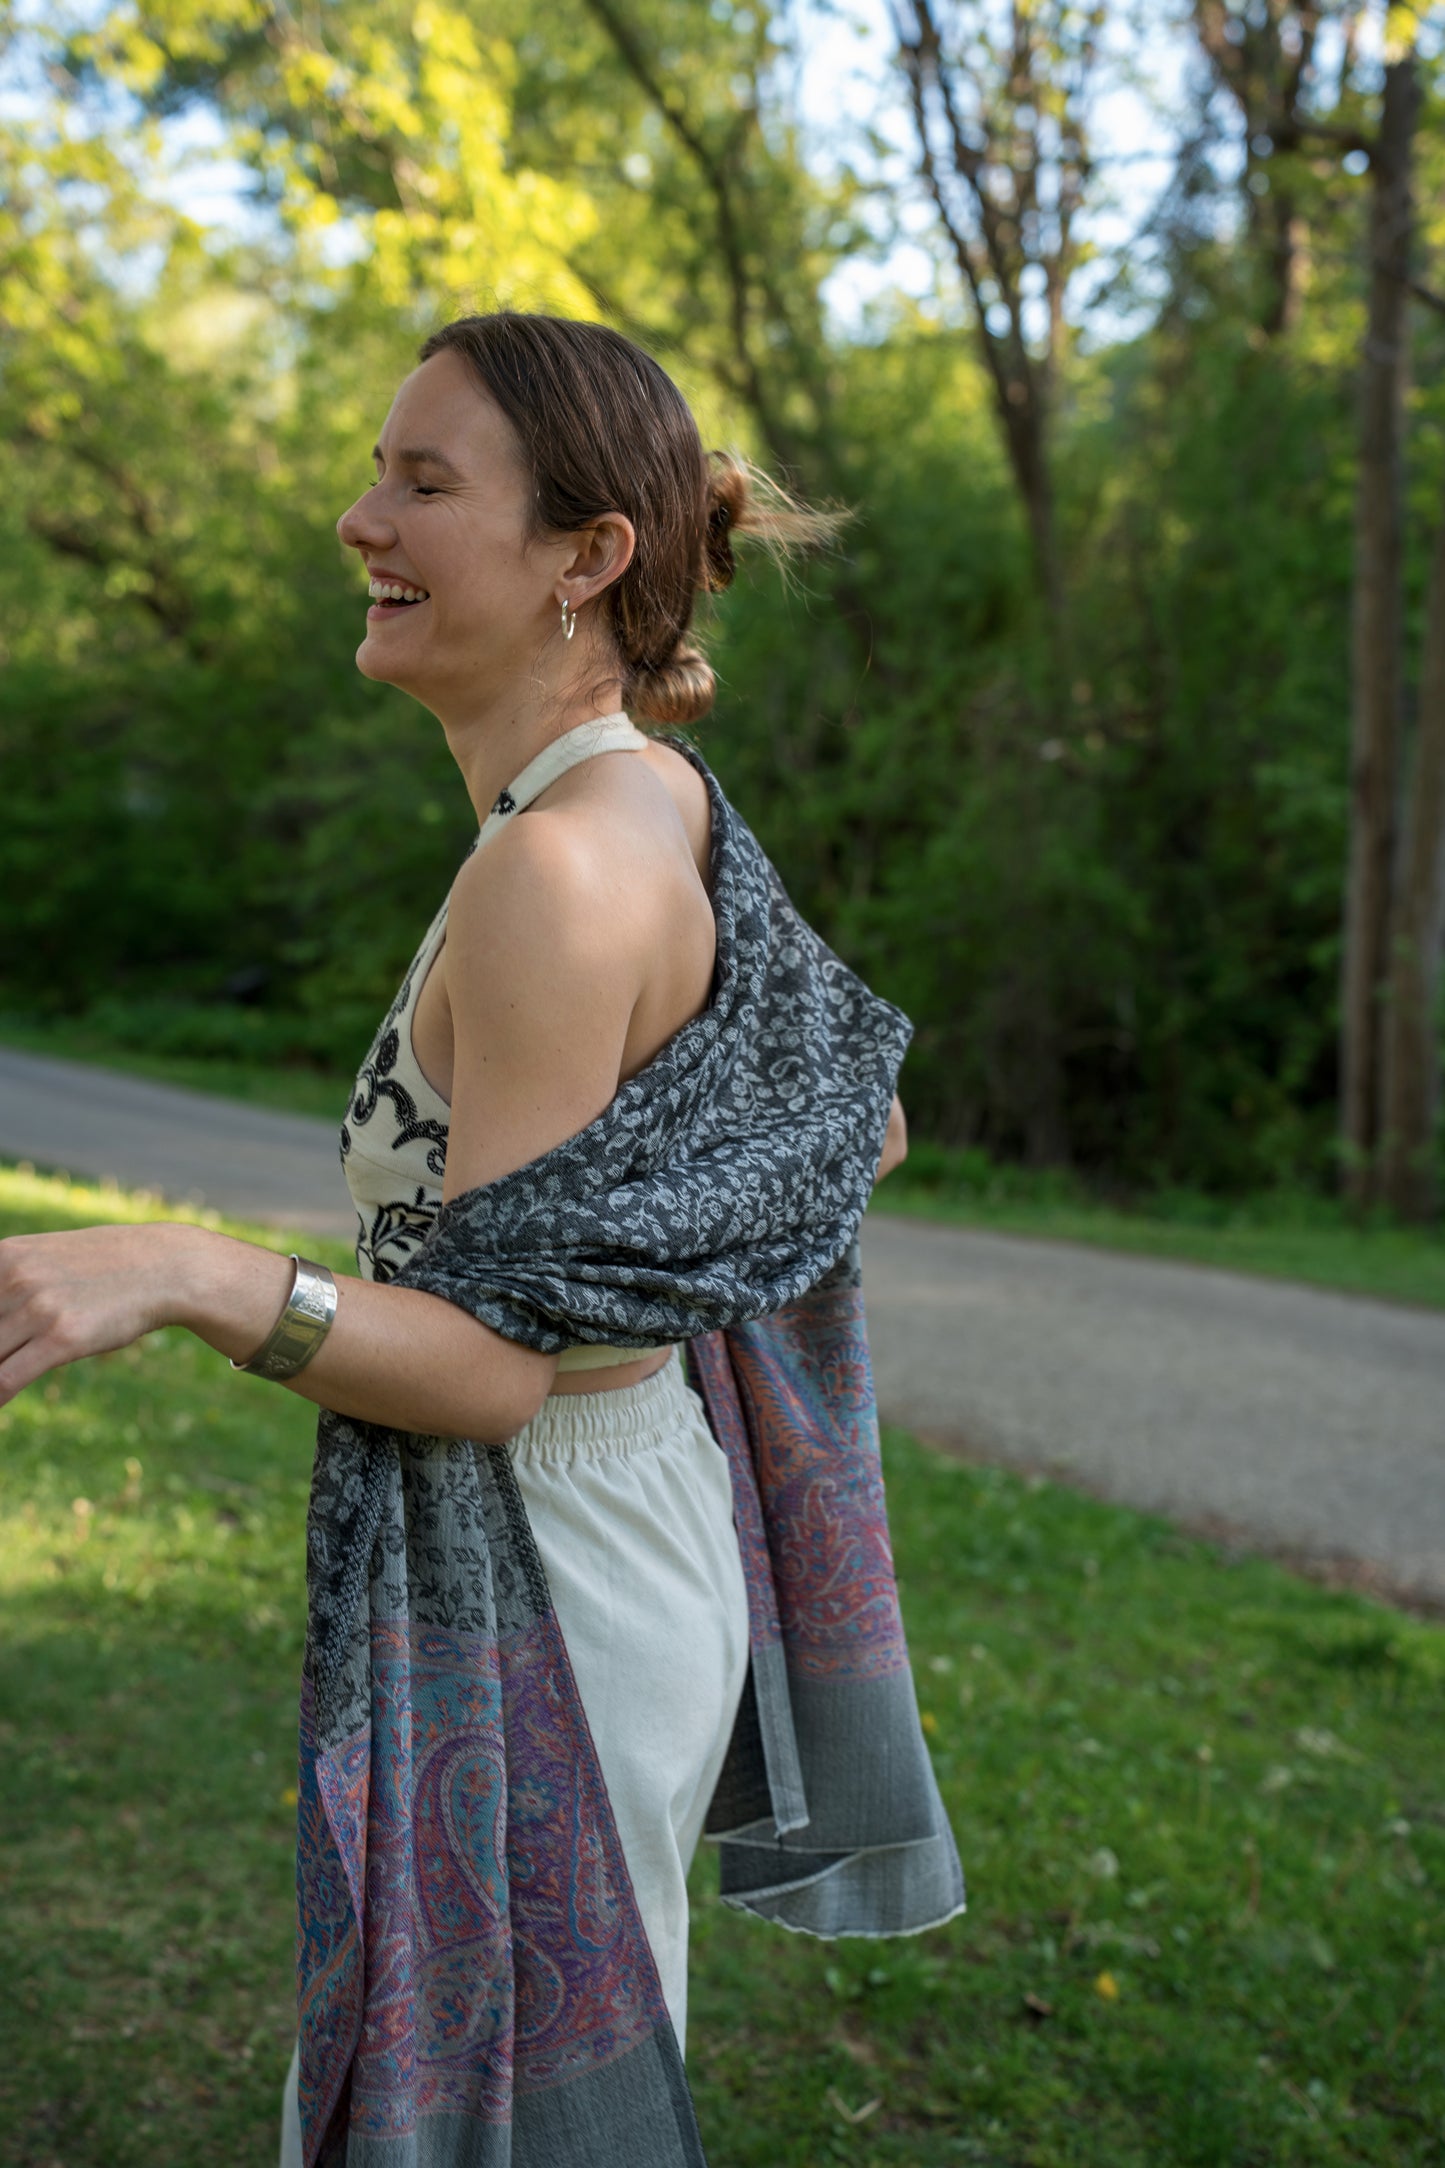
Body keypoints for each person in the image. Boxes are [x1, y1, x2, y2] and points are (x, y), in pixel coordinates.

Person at [0, 312, 918, 2162]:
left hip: (561, 1556)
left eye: (425, 484)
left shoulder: (562, 867)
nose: (362, 519)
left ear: (588, 559)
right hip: (624, 1521)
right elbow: (863, 1116)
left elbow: (494, 1375)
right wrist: (663, 1243)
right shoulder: (644, 799)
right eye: (375, 471)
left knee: (480, 2119)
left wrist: (182, 1269)